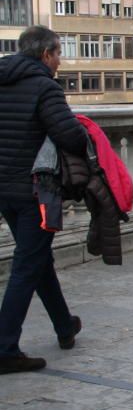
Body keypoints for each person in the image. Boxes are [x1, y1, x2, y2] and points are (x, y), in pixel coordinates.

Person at [0, 26, 89, 375]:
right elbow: (69, 136)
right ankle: (5, 346)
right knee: (26, 266)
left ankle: (64, 325)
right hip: (34, 190)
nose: (59, 61)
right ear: (45, 55)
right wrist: (84, 133)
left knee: (36, 258)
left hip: (4, 189)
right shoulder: (44, 87)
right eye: (58, 54)